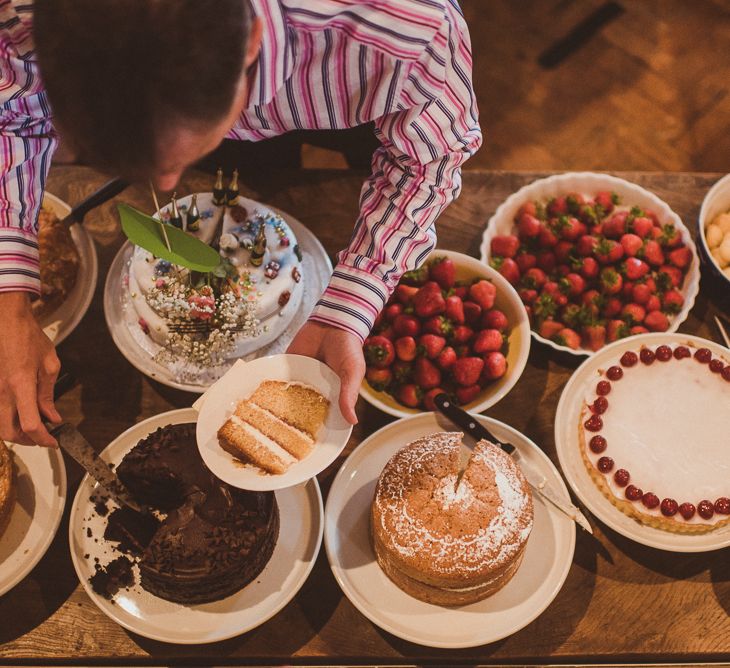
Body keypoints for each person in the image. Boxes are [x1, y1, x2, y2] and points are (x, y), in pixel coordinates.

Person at [0, 0, 481, 446]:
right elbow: (12, 118)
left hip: (351, 93)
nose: (167, 184)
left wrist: (353, 296)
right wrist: (9, 301)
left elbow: (427, 161)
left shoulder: (408, 27)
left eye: (171, 160)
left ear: (251, 41)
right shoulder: (21, 12)